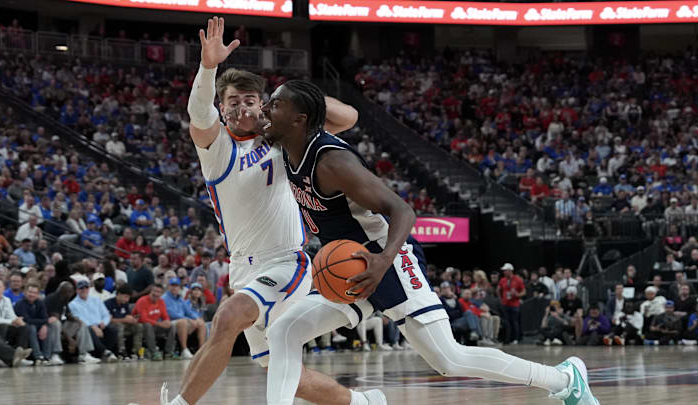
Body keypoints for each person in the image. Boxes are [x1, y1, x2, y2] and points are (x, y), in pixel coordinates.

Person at [173, 78, 598, 405]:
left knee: (449, 359)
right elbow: (257, 120)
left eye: (275, 104)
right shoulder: (283, 147)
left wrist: (381, 263)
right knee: (285, 330)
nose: (264, 109)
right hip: (352, 270)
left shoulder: (333, 160)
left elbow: (403, 211)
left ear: (299, 119)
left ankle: (563, 380)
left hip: (387, 262)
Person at [162, 16, 370, 405]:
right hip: (242, 267)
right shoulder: (217, 148)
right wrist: (209, 68)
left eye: (250, 100)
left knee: (227, 317)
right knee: (281, 371)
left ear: (264, 105)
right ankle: (363, 403)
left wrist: (291, 101)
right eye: (232, 101)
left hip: (285, 262)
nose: (241, 107)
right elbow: (198, 113)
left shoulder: (286, 137)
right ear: (222, 111)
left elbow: (349, 118)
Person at [44, 281, 100, 364]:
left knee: (82, 324)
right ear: (63, 291)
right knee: (56, 324)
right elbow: (56, 321)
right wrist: (70, 339)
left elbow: (68, 314)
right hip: (49, 328)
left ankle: (83, 354)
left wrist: (77, 320)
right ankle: (54, 354)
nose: (71, 294)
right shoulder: (53, 299)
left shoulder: (64, 299)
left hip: (61, 327)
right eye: (70, 292)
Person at [68, 280, 119, 362]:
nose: (84, 290)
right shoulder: (72, 304)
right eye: (81, 288)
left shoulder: (96, 300)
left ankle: (103, 353)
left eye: (86, 287)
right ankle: (105, 352)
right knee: (89, 330)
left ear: (89, 288)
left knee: (113, 330)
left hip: (100, 325)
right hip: (87, 327)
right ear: (77, 290)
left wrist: (104, 323)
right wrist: (94, 327)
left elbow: (106, 314)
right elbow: (79, 319)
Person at [14, 282, 63, 365]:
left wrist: (44, 325)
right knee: (32, 327)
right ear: (25, 292)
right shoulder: (20, 304)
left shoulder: (40, 302)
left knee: (50, 327)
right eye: (30, 292)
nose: (32, 295)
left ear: (38, 294)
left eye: (35, 293)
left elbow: (44, 317)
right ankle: (38, 356)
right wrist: (45, 322)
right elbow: (27, 320)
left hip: (37, 325)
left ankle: (46, 357)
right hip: (23, 327)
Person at [163, 277, 206, 359]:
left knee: (201, 323)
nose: (174, 288)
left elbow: (188, 312)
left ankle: (202, 350)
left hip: (184, 321)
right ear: (169, 286)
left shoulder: (180, 298)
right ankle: (184, 350)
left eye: (176, 286)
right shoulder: (164, 298)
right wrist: (188, 319)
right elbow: (171, 314)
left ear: (179, 287)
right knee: (183, 322)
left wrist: (196, 318)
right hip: (170, 322)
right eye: (172, 285)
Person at [133, 283, 176, 361]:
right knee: (147, 325)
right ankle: (154, 353)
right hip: (140, 326)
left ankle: (168, 353)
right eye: (155, 291)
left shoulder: (161, 302)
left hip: (154, 325)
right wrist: (160, 324)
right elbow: (143, 319)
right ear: (150, 291)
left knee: (172, 326)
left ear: (161, 293)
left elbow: (165, 316)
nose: (156, 294)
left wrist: (167, 321)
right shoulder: (142, 301)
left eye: (159, 292)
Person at [105, 285, 143, 360]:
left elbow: (127, 316)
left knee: (139, 326)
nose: (127, 299)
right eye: (125, 297)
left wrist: (132, 319)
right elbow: (108, 320)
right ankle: (121, 351)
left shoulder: (125, 304)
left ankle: (136, 351)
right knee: (120, 326)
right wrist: (124, 320)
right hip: (111, 327)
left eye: (128, 297)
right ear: (118, 294)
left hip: (124, 326)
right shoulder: (108, 303)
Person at [497, 263, 526, 344]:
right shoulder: (503, 280)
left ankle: (516, 339)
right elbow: (498, 289)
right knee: (507, 322)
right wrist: (501, 299)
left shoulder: (518, 280)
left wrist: (517, 295)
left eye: (505, 270)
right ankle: (507, 339)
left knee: (514, 322)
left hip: (514, 304)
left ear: (510, 271)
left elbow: (524, 291)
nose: (504, 272)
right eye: (504, 271)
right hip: (505, 304)